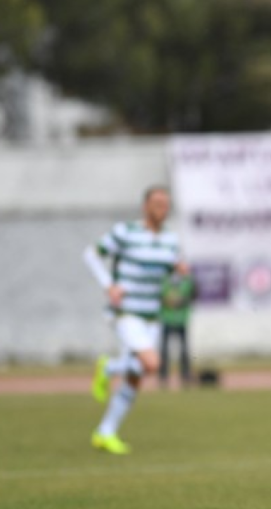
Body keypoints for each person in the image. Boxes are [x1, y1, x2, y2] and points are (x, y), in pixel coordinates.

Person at [83, 186, 184, 455]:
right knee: (152, 363)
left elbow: (171, 277)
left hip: (152, 315)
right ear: (145, 206)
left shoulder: (171, 240)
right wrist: (109, 285)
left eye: (166, 204)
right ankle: (108, 368)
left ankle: (105, 432)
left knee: (136, 376)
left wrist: (178, 276)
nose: (162, 209)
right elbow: (91, 254)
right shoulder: (126, 232)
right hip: (126, 312)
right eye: (157, 203)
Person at [158, 263, 196, 388]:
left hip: (181, 318)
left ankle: (185, 375)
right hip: (167, 318)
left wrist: (180, 300)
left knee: (184, 349)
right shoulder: (165, 279)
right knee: (164, 350)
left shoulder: (187, 280)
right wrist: (168, 300)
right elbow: (161, 295)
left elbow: (193, 294)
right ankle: (163, 376)